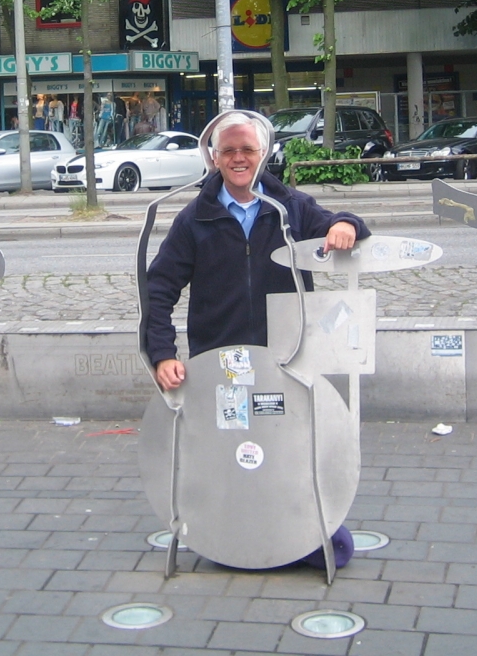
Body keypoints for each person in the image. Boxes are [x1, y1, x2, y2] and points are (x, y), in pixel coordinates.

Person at [144, 112, 370, 568]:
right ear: (213, 158)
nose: (238, 158)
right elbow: (158, 289)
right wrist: (162, 354)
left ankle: (294, 532)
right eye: (228, 150)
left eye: (247, 149)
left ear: (262, 154)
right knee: (229, 452)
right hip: (221, 362)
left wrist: (345, 224)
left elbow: (341, 224)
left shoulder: (290, 207)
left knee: (287, 450)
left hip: (285, 361)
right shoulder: (195, 219)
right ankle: (229, 536)